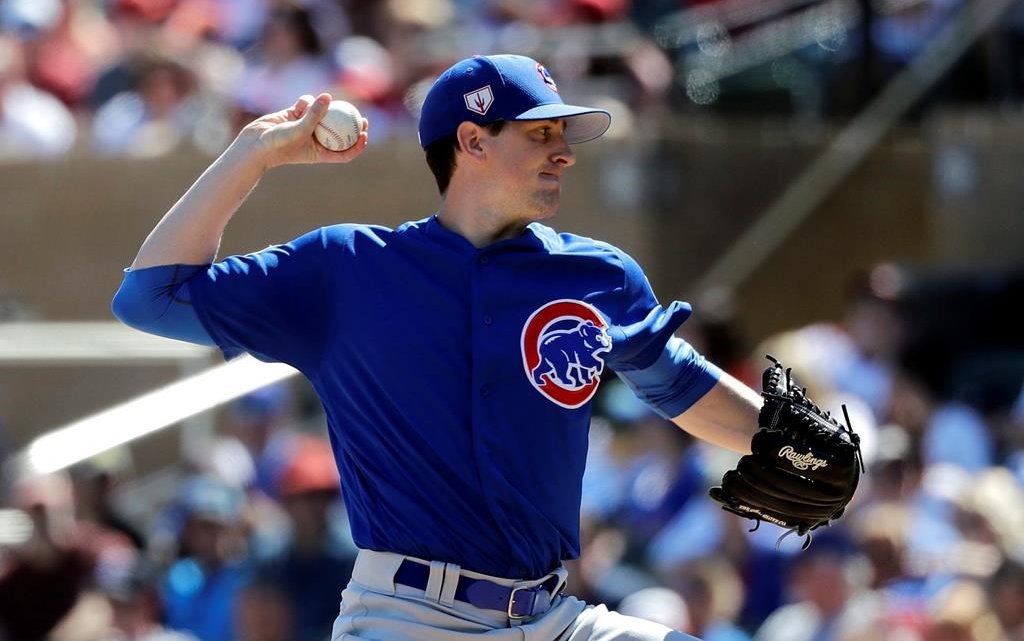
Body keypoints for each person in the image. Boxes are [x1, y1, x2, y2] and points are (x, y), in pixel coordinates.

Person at [113, 53, 764, 640]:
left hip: (553, 617)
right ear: (473, 141)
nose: (564, 152)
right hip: (407, 616)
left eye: (562, 135)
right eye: (540, 133)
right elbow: (151, 295)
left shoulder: (597, 275)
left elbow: (678, 383)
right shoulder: (347, 269)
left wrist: (792, 445)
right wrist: (253, 153)